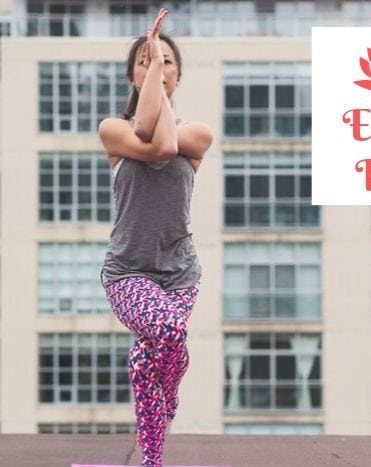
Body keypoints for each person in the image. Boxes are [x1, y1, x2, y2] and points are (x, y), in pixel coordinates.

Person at [98, 8, 213, 467]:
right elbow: (155, 142)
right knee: (168, 331)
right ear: (132, 74)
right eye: (147, 60)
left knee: (148, 360)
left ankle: (151, 461)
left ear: (178, 77)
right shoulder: (113, 130)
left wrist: (155, 73)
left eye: (167, 62)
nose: (158, 67)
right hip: (126, 272)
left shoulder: (197, 134)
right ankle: (167, 403)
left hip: (180, 273)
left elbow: (167, 140)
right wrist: (153, 77)